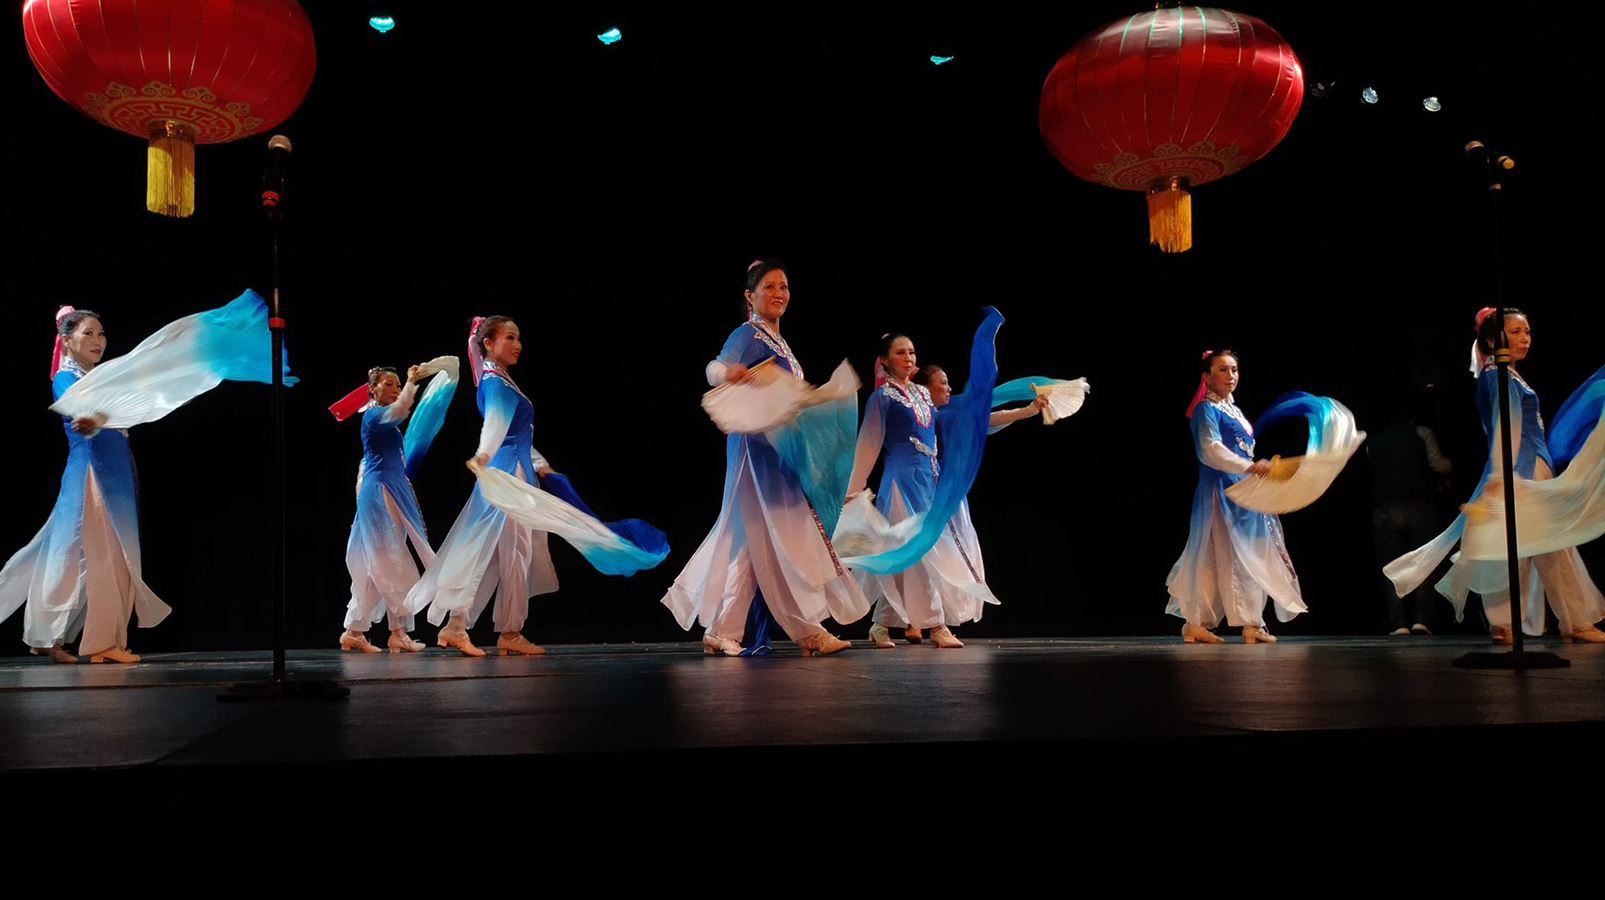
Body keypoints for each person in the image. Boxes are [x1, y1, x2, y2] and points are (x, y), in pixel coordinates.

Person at [662, 260, 866, 656]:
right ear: (749, 296)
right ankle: (807, 630)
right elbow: (715, 365)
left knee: (756, 539)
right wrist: (728, 374)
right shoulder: (748, 333)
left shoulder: (779, 343)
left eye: (784, 286)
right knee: (783, 533)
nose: (778, 293)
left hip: (780, 451)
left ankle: (722, 629)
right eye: (769, 286)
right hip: (755, 450)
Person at [1385, 308, 1605, 643]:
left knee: (1527, 547)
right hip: (1522, 470)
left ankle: (1518, 623)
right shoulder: (1498, 375)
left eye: (1527, 332)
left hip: (1522, 468)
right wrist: (1502, 473)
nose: (1525, 339)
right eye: (1515, 332)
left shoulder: (1504, 375)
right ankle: (1560, 621)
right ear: (1492, 340)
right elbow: (1506, 426)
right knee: (1538, 548)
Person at [0, 307, 168, 663]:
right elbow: (78, 410)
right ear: (66, 340)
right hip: (93, 473)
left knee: (76, 554)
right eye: (88, 333)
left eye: (101, 333)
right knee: (100, 555)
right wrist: (90, 419)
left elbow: (113, 410)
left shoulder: (101, 377)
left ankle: (52, 639)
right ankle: (100, 642)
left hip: (114, 469)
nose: (98, 341)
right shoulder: (66, 377)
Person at [409, 316, 557, 657]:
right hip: (506, 476)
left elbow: (513, 433)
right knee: (511, 553)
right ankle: (506, 631)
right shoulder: (496, 384)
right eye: (510, 337)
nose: (518, 344)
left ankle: (462, 625)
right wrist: (483, 455)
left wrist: (539, 464)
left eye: (518, 338)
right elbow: (495, 425)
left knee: (493, 553)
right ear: (488, 343)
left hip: (511, 472)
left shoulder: (501, 380)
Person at [1165, 350, 1307, 643]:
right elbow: (1210, 449)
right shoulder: (1206, 409)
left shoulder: (1234, 410)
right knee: (1212, 557)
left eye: (1234, 370)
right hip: (1220, 489)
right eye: (1222, 369)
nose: (1230, 375)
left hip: (1245, 490)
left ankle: (1249, 623)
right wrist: (1249, 466)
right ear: (1207, 377)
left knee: (1247, 554)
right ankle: (1198, 622)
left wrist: (1254, 471)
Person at [336, 364, 440, 653]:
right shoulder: (373, 416)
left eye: (397, 384)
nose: (395, 389)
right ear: (373, 390)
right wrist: (411, 382)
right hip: (380, 492)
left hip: (389, 490)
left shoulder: (383, 418)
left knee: (380, 562)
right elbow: (402, 409)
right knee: (389, 560)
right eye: (389, 384)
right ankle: (396, 632)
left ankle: (355, 631)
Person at [1366, 400, 1453, 635]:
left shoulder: (1374, 443)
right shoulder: (1421, 433)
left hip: (1386, 508)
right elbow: (1438, 464)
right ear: (1411, 418)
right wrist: (1450, 465)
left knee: (1389, 566)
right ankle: (1422, 619)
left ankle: (1398, 622)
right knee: (1424, 562)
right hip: (1419, 506)